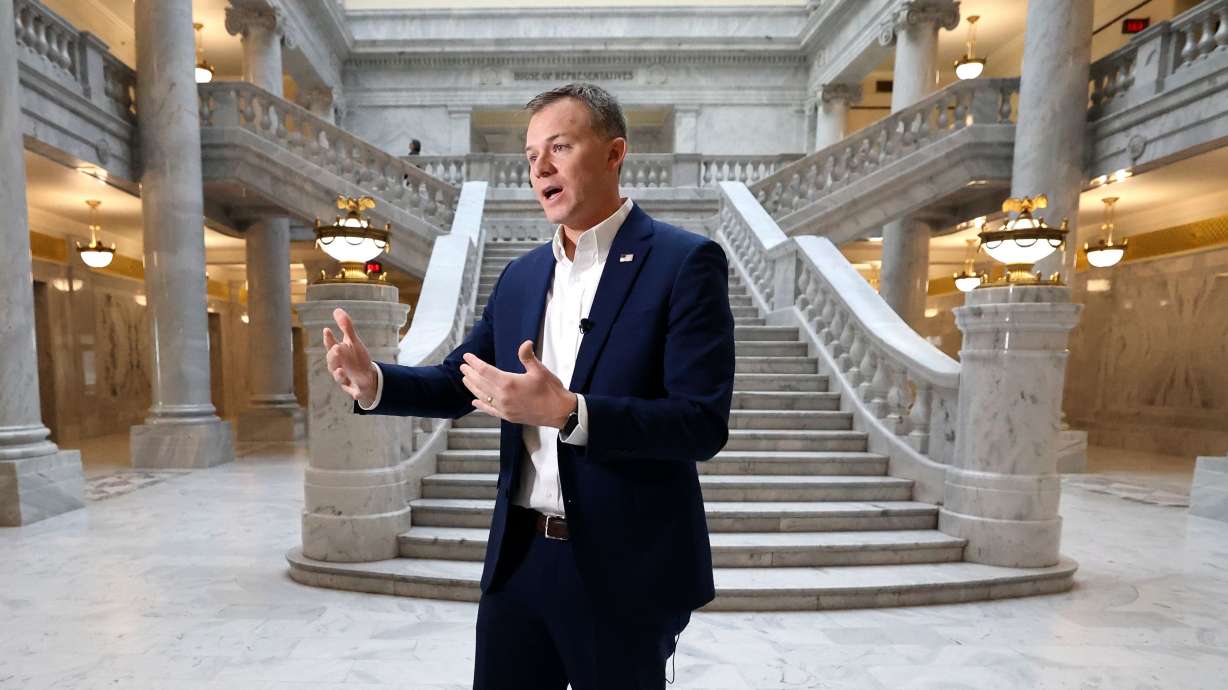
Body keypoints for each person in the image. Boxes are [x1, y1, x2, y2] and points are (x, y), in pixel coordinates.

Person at [322, 83, 735, 689]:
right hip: (518, 561)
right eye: (530, 155)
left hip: (624, 568)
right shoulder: (521, 276)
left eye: (559, 147)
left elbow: (700, 423)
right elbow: (457, 380)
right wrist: (375, 381)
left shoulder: (684, 262)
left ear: (615, 153)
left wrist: (572, 412)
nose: (539, 167)